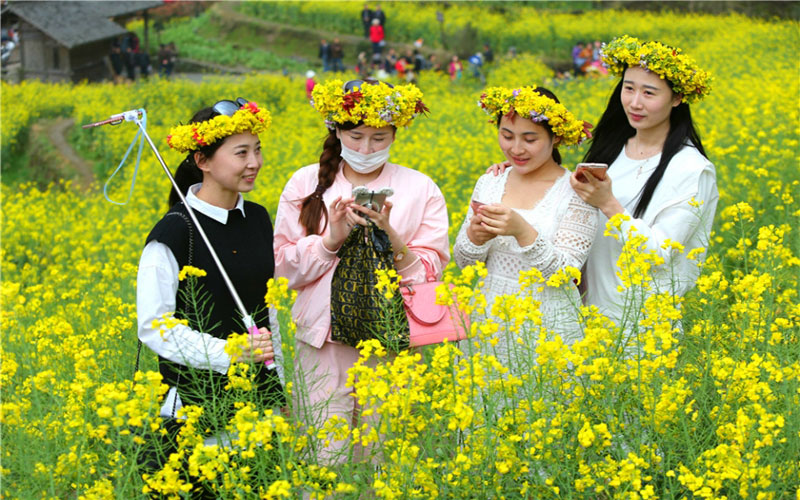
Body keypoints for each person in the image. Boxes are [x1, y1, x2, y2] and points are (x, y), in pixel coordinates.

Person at [273, 79, 448, 464]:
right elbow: (282, 268)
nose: (366, 149)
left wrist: (392, 238)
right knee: (323, 459)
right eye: (355, 136)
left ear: (395, 134)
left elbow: (431, 273)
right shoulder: (305, 182)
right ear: (336, 130)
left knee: (384, 461)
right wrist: (329, 239)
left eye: (379, 138)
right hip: (322, 344)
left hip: (392, 343)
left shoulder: (420, 188)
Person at [136, 99, 284, 475]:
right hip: (197, 409)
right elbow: (154, 326)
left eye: (257, 150)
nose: (254, 162)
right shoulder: (173, 232)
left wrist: (278, 382)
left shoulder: (258, 219)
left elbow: (265, 310)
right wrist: (230, 352)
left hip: (258, 402)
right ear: (202, 161)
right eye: (241, 153)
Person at [569, 36, 718, 336]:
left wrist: (609, 204)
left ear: (677, 99)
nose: (635, 103)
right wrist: (519, 172)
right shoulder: (610, 150)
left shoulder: (691, 169)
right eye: (628, 88)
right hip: (587, 321)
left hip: (645, 331)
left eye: (649, 93)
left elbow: (661, 251)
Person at [454, 86, 596, 367]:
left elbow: (567, 273)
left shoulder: (577, 192)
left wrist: (523, 232)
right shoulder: (491, 181)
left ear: (555, 138)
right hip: (488, 325)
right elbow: (465, 263)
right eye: (506, 136)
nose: (515, 149)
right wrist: (475, 236)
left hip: (549, 331)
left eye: (529, 139)